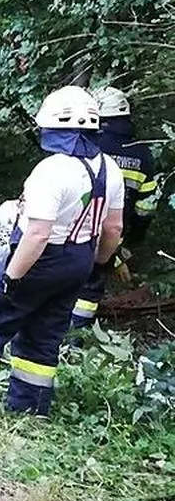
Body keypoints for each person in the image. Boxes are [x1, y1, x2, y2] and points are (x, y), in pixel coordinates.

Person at [0, 86, 124, 419]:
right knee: (44, 335)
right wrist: (98, 265)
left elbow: (37, 234)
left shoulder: (52, 170)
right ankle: (29, 412)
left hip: (40, 258)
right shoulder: (109, 169)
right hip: (79, 261)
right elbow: (113, 230)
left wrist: (10, 279)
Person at [71, 86, 160, 328]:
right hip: (114, 234)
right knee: (90, 290)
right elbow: (146, 208)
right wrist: (130, 243)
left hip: (75, 229)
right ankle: (77, 339)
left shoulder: (86, 145)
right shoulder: (143, 154)